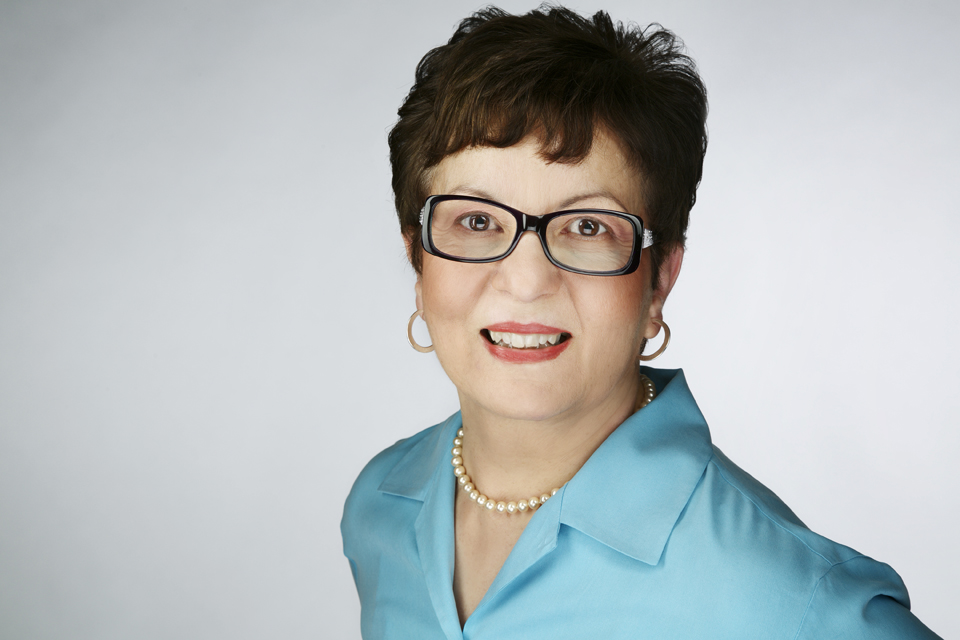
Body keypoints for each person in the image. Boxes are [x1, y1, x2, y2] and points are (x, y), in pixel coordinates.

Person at [341, 6, 941, 639]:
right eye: (477, 220)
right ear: (417, 259)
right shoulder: (378, 508)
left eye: (587, 226)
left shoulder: (794, 600)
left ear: (659, 281)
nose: (525, 281)